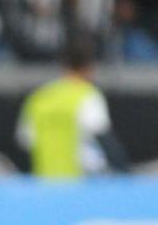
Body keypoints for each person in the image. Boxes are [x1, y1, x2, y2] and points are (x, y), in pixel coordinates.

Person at [16, 34, 129, 178]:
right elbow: (106, 142)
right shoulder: (87, 96)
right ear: (89, 66)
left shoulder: (39, 99)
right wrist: (127, 175)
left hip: (44, 189)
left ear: (63, 64)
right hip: (79, 189)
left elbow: (25, 145)